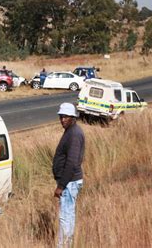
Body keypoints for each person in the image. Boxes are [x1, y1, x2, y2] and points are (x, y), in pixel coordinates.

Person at [52, 103, 85, 248]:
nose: (62, 119)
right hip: (69, 182)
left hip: (69, 183)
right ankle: (68, 244)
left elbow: (71, 163)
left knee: (65, 217)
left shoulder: (74, 134)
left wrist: (60, 186)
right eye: (61, 116)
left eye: (65, 117)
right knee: (68, 215)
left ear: (73, 117)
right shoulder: (70, 131)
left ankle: (64, 245)